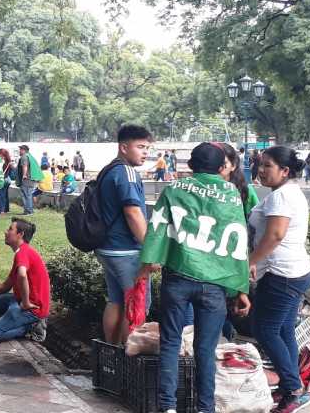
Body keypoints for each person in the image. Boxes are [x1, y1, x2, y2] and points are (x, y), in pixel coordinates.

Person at [139, 142, 252, 413]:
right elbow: (238, 243)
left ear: (190, 165)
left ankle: (167, 407)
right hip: (214, 284)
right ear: (222, 167)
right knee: (205, 348)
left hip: (177, 277)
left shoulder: (175, 189)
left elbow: (156, 229)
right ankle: (205, 408)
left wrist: (146, 266)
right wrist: (241, 289)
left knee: (170, 342)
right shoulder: (231, 193)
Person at [248, 146, 310, 412]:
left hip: (282, 274)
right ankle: (293, 387)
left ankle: (293, 388)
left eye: (268, 166)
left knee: (264, 329)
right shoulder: (287, 192)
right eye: (261, 164)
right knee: (283, 329)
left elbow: (275, 235)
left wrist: (250, 262)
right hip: (294, 271)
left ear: (285, 171)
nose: (261, 170)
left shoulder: (281, 197)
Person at [95, 124, 151, 345]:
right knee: (136, 304)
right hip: (126, 250)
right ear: (124, 147)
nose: (145, 152)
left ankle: (112, 353)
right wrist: (150, 249)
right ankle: (129, 358)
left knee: (116, 301)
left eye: (147, 147)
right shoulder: (126, 172)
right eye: (140, 147)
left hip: (107, 248)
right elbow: (133, 213)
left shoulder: (109, 170)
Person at [0, 218, 50, 341]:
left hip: (32, 309)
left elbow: (22, 274)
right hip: (18, 300)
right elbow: (6, 285)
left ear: (20, 234)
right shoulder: (22, 252)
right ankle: (10, 319)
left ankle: (30, 327)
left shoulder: (22, 252)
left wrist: (25, 302)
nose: (6, 232)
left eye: (10, 229)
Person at [16, 145, 43, 215]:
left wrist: (24, 175)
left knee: (26, 195)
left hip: (27, 179)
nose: (19, 151)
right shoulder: (30, 156)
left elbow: (25, 166)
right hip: (31, 179)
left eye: (20, 149)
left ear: (24, 150)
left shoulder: (24, 157)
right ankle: (28, 210)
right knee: (27, 195)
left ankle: (29, 211)